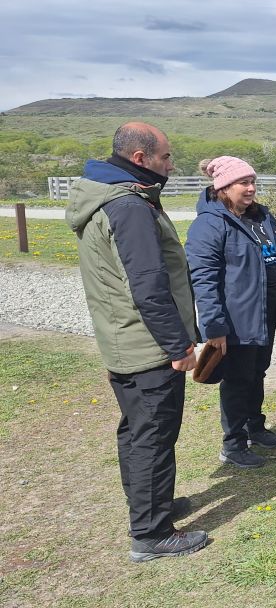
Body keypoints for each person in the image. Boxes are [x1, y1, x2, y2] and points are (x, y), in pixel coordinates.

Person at [65, 122, 208, 561]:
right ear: (141, 158)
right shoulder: (128, 206)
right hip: (147, 346)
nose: (171, 164)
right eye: (166, 157)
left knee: (137, 430)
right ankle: (151, 533)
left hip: (124, 340)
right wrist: (178, 346)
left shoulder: (107, 195)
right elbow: (148, 286)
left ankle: (150, 506)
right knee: (153, 435)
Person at [185, 156, 276, 469]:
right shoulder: (210, 224)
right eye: (243, 183)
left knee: (257, 372)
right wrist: (214, 327)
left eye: (252, 182)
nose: (251, 188)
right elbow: (203, 280)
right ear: (223, 188)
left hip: (265, 313)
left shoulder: (262, 218)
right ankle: (233, 444)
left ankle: (254, 427)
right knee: (236, 380)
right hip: (235, 320)